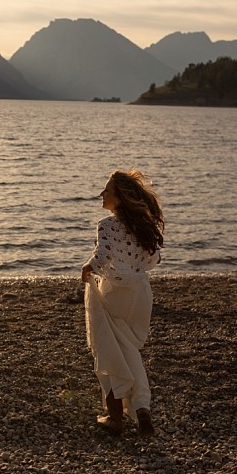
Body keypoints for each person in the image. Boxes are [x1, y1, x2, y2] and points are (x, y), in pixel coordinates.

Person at [81, 169, 164, 438]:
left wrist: (88, 267)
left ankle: (115, 417)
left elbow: (102, 256)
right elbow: (154, 260)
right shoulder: (144, 226)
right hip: (140, 293)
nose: (101, 194)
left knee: (108, 349)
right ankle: (142, 409)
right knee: (128, 351)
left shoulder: (107, 225)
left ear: (120, 197)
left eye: (107, 190)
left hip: (117, 292)